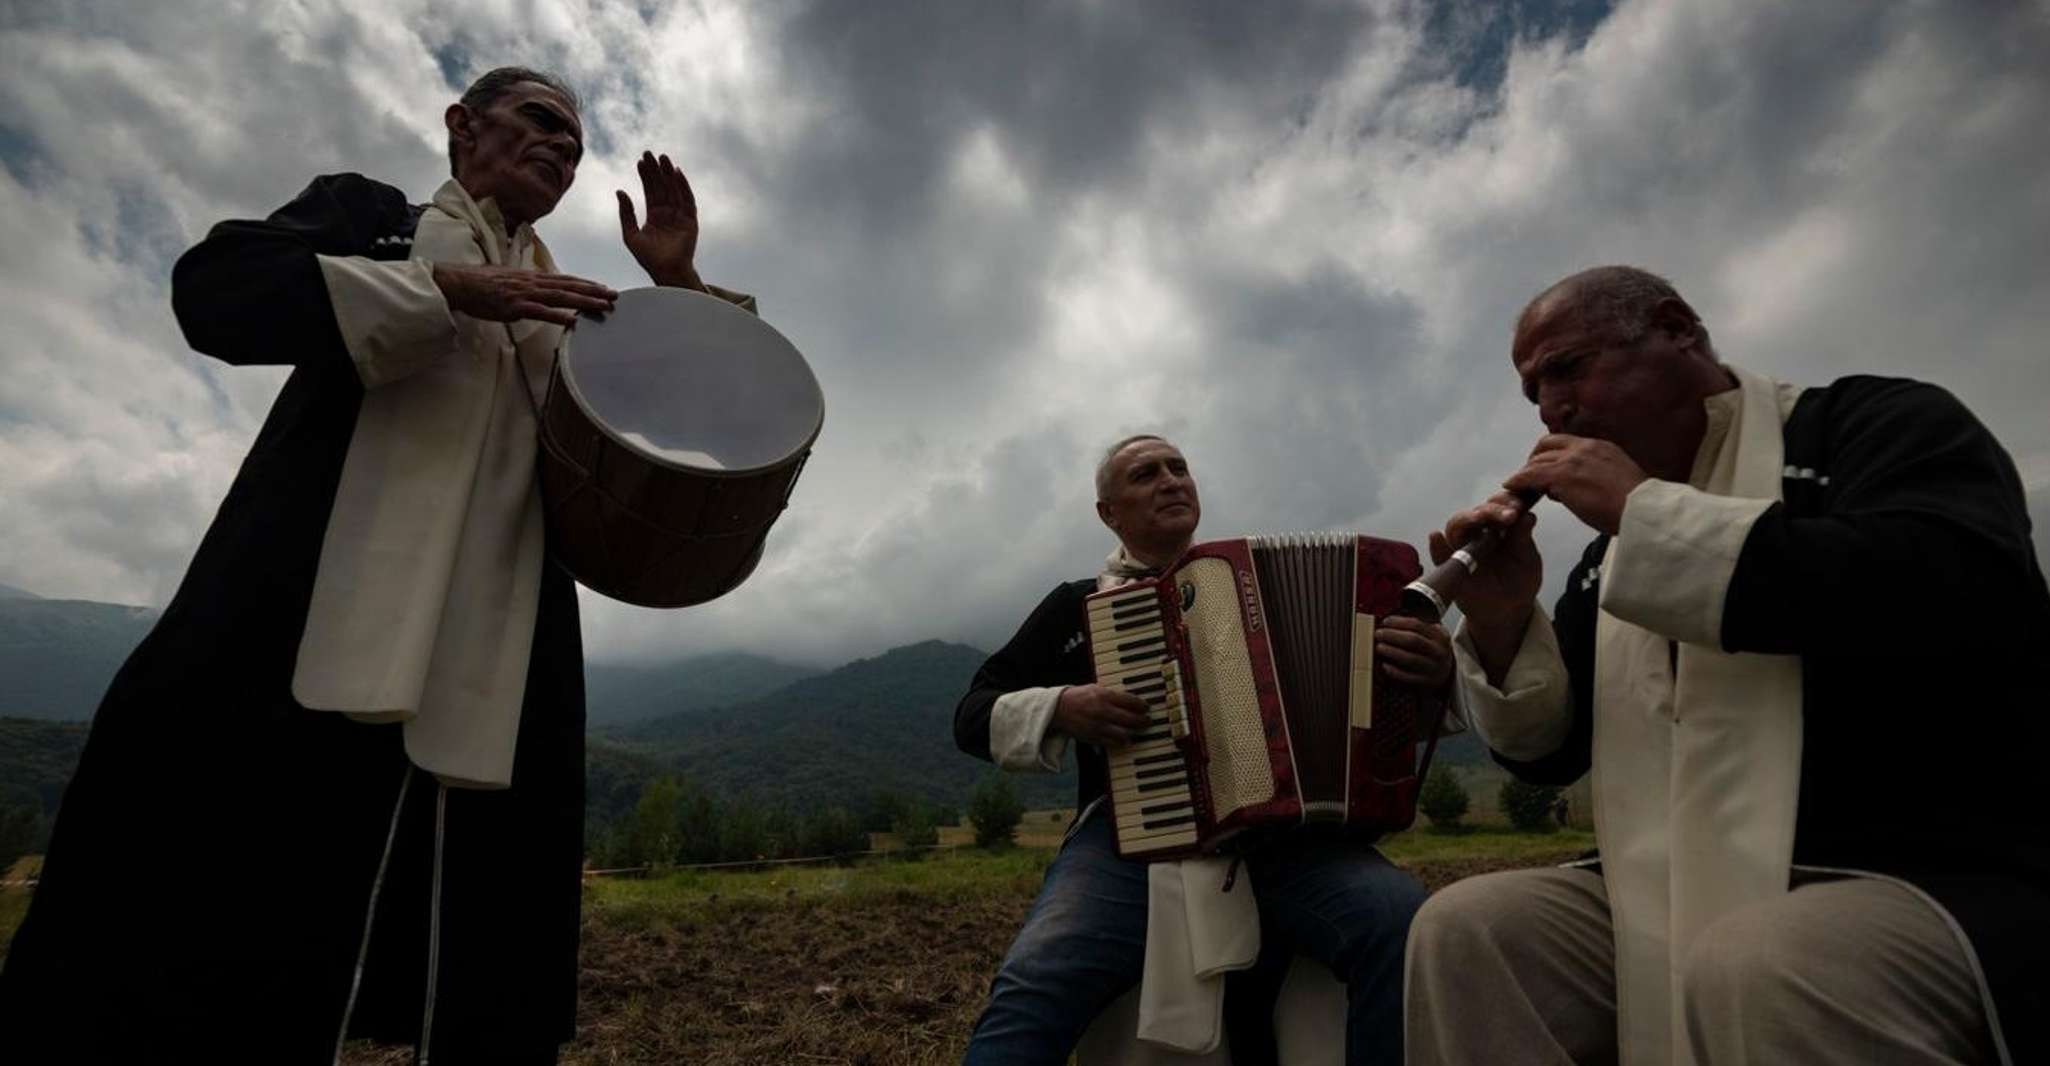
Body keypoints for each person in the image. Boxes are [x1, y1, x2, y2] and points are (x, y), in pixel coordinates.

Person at [0, 67, 758, 1063]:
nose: (560, 151)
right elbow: (214, 289)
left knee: (484, 963)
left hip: (502, 652)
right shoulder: (373, 218)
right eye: (538, 122)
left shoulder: (584, 313)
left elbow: (706, 419)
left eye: (574, 147)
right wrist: (445, 289)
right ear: (460, 125)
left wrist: (677, 288)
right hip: (302, 609)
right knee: (216, 922)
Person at [1405, 266, 2049, 1066]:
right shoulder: (1605, 559)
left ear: (1678, 328)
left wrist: (1646, 513)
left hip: (1913, 865)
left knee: (1768, 961)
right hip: (1661, 881)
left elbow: (1958, 589)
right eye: (1532, 391)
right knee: (1472, 927)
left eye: (1567, 367)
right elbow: (1551, 755)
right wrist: (1502, 619)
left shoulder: (1874, 424)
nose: (1550, 409)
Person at [955, 434, 1456, 1065]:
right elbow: (972, 714)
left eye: (1179, 468)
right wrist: (1062, 705)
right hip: (1130, 839)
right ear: (1109, 513)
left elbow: (1377, 707)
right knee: (1038, 978)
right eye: (1145, 474)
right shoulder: (1075, 606)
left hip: (1285, 836)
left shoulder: (1250, 582)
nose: (1170, 480)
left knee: (1399, 923)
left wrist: (1435, 674)